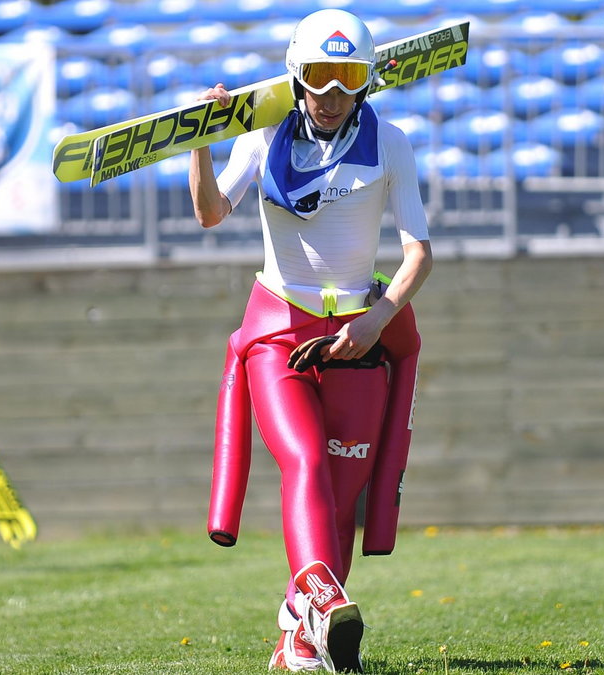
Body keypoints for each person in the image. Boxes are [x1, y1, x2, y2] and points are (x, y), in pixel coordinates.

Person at [189, 9, 432, 673]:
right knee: (305, 463)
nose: (330, 95)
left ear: (365, 83)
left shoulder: (392, 142)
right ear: (297, 77)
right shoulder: (265, 130)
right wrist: (200, 143)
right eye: (319, 78)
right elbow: (211, 212)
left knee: (341, 497)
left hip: (357, 334)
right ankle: (322, 601)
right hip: (278, 330)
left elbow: (418, 255)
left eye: (345, 79)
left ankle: (300, 631)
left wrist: (377, 318)